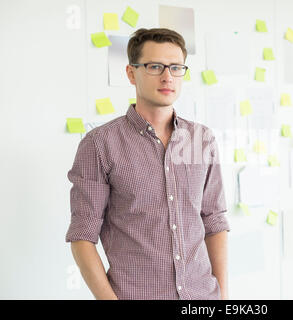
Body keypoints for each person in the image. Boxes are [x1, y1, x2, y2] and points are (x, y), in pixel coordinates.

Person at [65, 28, 230, 300]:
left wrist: (223, 297)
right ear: (131, 73)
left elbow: (214, 222)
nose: (167, 76)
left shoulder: (202, 140)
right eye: (155, 66)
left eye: (176, 67)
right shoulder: (99, 144)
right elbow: (82, 236)